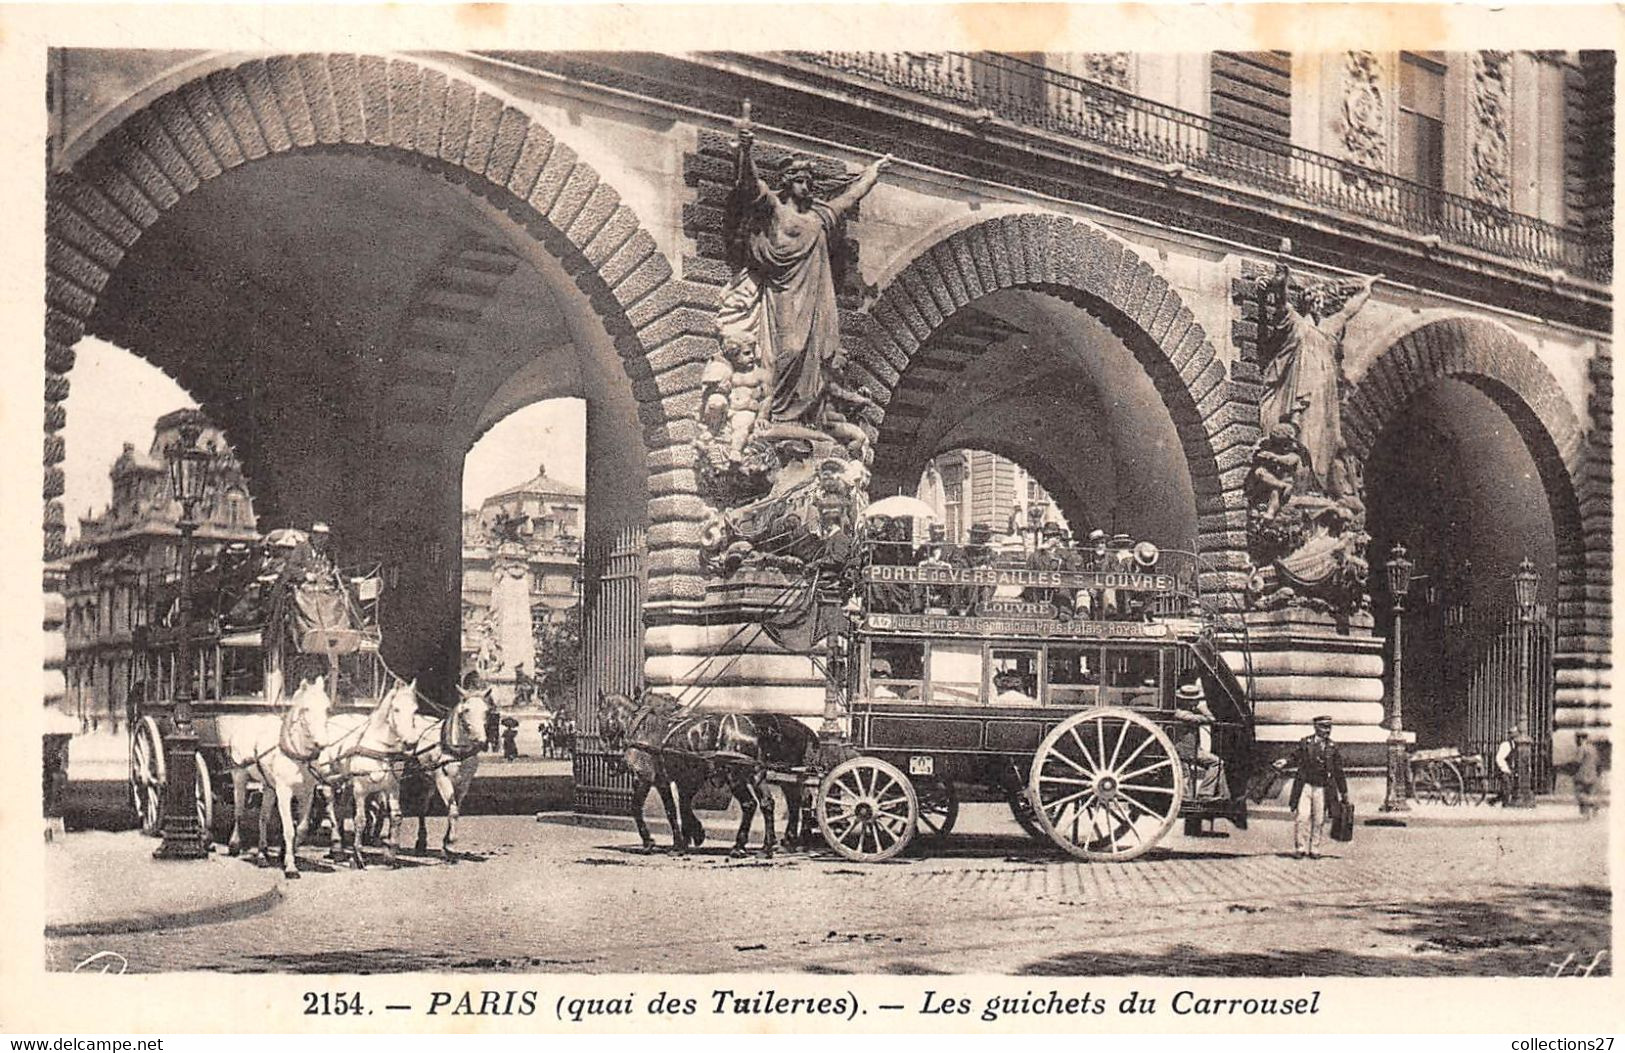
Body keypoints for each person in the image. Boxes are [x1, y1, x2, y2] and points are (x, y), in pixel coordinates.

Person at [718, 121, 892, 428]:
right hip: (783, 294)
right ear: (787, 183)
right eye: (800, 181)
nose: (807, 186)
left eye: (809, 181)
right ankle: (776, 414)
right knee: (790, 350)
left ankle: (808, 418)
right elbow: (749, 184)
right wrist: (745, 150)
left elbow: (849, 199)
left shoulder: (819, 218)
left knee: (815, 356)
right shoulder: (774, 209)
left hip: (816, 302)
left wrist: (873, 174)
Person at [1258, 262, 1381, 489]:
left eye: (1319, 301)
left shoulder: (1329, 328)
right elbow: (1282, 303)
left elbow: (1348, 311)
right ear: (1306, 303)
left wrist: (1366, 290)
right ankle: (1299, 479)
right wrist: (1280, 281)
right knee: (1301, 431)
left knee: (1325, 439)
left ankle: (1317, 483)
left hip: (1324, 395)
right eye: (1312, 300)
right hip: (1300, 391)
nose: (1317, 304)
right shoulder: (1296, 323)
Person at [1274, 714, 1347, 859]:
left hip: (1322, 788)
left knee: (1319, 819)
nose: (1327, 730)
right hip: (1305, 786)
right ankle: (1300, 848)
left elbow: (1339, 771)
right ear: (1316, 727)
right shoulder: (1305, 743)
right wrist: (1285, 762)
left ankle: (1315, 849)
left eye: (1329, 727)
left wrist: (1344, 791)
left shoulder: (1333, 747)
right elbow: (1294, 757)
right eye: (1324, 727)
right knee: (1302, 816)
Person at [1172, 682, 1224, 797]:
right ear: (1189, 701)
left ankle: (1190, 796)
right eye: (1195, 700)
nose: (1197, 702)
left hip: (1187, 750)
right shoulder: (1182, 714)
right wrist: (1202, 708)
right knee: (1217, 763)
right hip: (1187, 751)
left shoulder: (1183, 712)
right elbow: (1210, 719)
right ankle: (1205, 793)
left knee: (1186, 775)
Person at [1572, 732, 1601, 819]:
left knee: (1579, 793)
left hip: (1582, 774)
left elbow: (1577, 761)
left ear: (1580, 739)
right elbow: (1598, 762)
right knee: (1589, 793)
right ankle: (1588, 813)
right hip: (1593, 775)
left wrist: (1571, 770)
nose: (1576, 741)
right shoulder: (1593, 748)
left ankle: (1593, 803)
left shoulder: (1581, 748)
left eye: (1576, 739)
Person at [1494, 724, 1520, 806]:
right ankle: (1505, 805)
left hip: (1511, 769)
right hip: (1504, 770)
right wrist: (1505, 769)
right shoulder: (1506, 745)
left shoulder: (1516, 745)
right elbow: (1499, 758)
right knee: (1507, 787)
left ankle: (1493, 801)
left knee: (1507, 788)